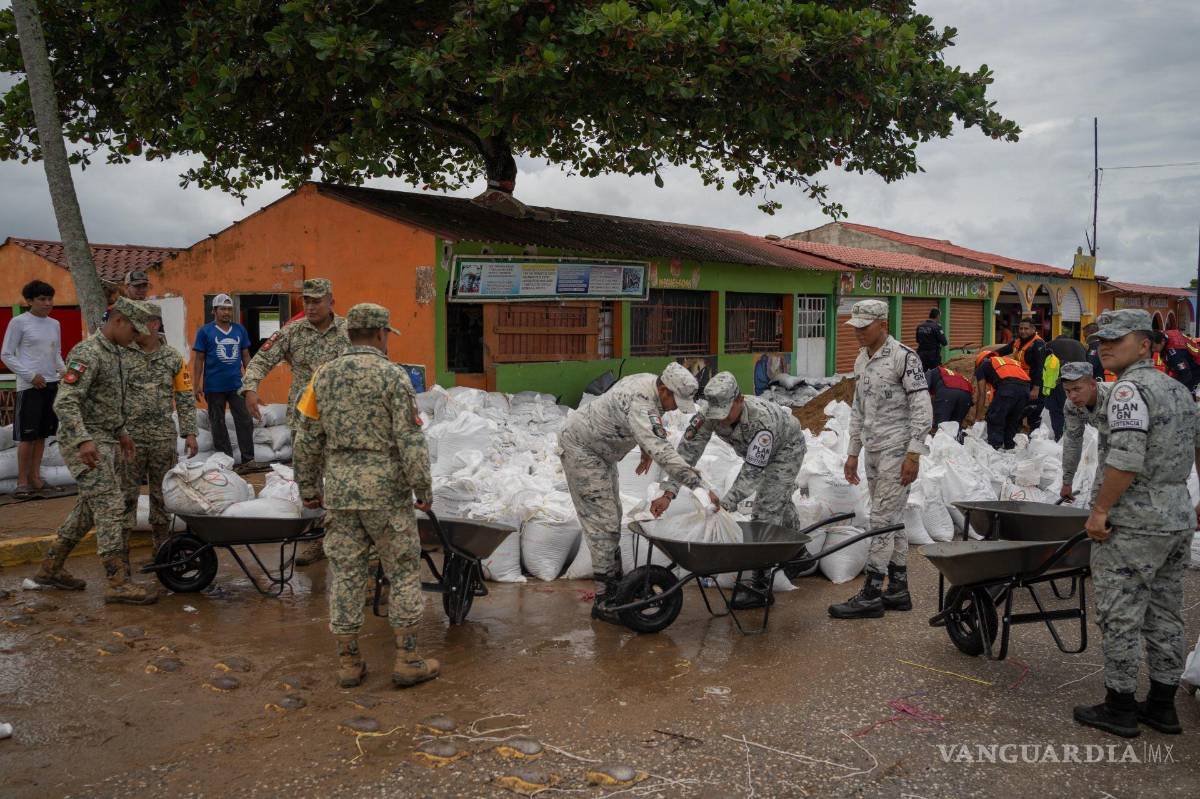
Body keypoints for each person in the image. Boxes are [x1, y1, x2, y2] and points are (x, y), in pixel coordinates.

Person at [293, 303, 437, 689]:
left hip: (340, 491)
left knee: (344, 572)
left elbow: (306, 437)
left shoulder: (322, 378)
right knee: (403, 570)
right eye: (387, 333)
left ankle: (348, 662)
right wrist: (422, 487)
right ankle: (407, 658)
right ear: (378, 334)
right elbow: (410, 438)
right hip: (386, 492)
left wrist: (308, 487)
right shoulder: (393, 376)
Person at [1073, 309, 1200, 738]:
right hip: (1175, 515)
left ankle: (1121, 706)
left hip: (1135, 521)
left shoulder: (1129, 389)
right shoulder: (1178, 389)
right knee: (1166, 612)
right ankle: (1162, 707)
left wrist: (1100, 510)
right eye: (1101, 341)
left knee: (1120, 613)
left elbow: (1126, 457)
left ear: (1145, 344)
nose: (1104, 347)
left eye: (1116, 339)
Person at [559, 363, 716, 623]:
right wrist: (697, 485)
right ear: (664, 389)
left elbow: (642, 427)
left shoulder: (650, 381)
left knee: (612, 516)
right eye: (674, 401)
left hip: (602, 452)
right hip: (582, 449)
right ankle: (605, 600)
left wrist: (644, 448)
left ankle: (615, 589)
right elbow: (662, 449)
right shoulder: (641, 401)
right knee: (603, 524)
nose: (676, 407)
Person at [31, 298, 158, 604]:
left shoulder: (117, 352)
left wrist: (122, 433)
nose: (136, 336)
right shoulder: (88, 352)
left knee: (89, 510)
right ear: (118, 321)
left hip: (107, 439)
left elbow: (106, 403)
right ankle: (117, 582)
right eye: (133, 329)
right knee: (112, 505)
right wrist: (84, 440)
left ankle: (50, 568)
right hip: (85, 443)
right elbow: (65, 401)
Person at [649, 371, 807, 609]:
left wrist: (726, 504)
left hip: (786, 449)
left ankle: (760, 587)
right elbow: (685, 454)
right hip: (753, 453)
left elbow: (751, 472)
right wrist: (669, 492)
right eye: (716, 414)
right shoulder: (709, 414)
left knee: (765, 510)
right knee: (777, 498)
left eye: (724, 413)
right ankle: (797, 552)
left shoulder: (762, 422)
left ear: (739, 400)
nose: (720, 420)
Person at [828, 300, 932, 620]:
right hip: (872, 451)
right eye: (855, 327)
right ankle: (898, 589)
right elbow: (858, 409)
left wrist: (913, 454)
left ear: (883, 324)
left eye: (865, 326)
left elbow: (922, 410)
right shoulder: (863, 359)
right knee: (893, 520)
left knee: (881, 521)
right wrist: (852, 452)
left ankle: (872, 592)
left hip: (897, 452)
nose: (858, 332)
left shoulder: (904, 358)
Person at [242, 278, 349, 564]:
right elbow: (261, 360)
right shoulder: (291, 333)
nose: (311, 306)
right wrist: (250, 388)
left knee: (343, 478)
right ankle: (316, 539)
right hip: (304, 420)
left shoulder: (350, 331)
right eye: (307, 301)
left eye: (317, 301)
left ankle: (343, 540)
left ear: (331, 301)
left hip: (343, 420)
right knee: (309, 480)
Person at [122, 303, 198, 556]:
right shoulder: (122, 355)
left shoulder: (173, 357)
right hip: (128, 440)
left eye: (138, 322)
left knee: (161, 496)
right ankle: (120, 554)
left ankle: (163, 549)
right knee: (125, 496)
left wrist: (189, 432)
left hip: (162, 438)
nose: (131, 328)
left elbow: (185, 395)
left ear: (154, 324)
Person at [1, 280, 64, 498]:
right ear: (29, 301)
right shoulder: (19, 322)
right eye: (42, 299)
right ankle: (21, 482)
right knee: (27, 436)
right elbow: (6, 354)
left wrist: (65, 373)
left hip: (52, 384)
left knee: (43, 435)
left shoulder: (55, 324)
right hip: (29, 386)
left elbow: (56, 354)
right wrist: (30, 376)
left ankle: (36, 478)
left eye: (50, 299)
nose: (48, 303)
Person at [192, 293, 255, 470]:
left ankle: (248, 459)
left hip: (237, 384)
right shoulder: (205, 331)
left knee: (244, 420)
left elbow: (245, 355)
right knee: (217, 423)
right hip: (213, 386)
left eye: (229, 309)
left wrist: (250, 380)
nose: (226, 312)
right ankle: (226, 460)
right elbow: (199, 360)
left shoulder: (239, 330)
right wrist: (196, 384)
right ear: (214, 311)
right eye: (223, 309)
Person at [1058, 361, 1112, 503]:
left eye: (1077, 389)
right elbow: (1072, 442)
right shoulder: (1072, 406)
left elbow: (1117, 447)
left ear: (1093, 385)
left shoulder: (1114, 398)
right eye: (1067, 391)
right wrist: (1067, 482)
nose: (1072, 396)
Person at [992, 317, 1049, 431]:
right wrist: (991, 355)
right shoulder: (1018, 341)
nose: (1023, 331)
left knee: (1033, 413)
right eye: (1021, 328)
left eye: (1026, 329)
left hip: (1034, 383)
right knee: (1018, 411)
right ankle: (1016, 436)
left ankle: (1034, 438)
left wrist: (1036, 389)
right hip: (1021, 382)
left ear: (1033, 329)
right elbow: (1005, 350)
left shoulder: (1038, 344)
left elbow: (1039, 368)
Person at [973, 350, 1030, 450]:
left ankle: (995, 448)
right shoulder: (1008, 361)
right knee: (1012, 419)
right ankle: (1009, 447)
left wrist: (977, 418)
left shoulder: (983, 365)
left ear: (979, 362)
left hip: (1008, 388)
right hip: (1025, 390)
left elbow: (982, 394)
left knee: (995, 418)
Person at [1046, 331, 1089, 441]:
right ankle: (1080, 437)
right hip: (1080, 382)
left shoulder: (1050, 345)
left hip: (1060, 382)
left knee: (1057, 410)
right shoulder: (1080, 345)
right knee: (1077, 410)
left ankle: (1060, 437)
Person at [925, 365, 973, 435]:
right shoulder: (953, 374)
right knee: (955, 427)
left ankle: (937, 442)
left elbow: (923, 393)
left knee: (940, 426)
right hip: (967, 395)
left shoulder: (930, 373)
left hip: (948, 389)